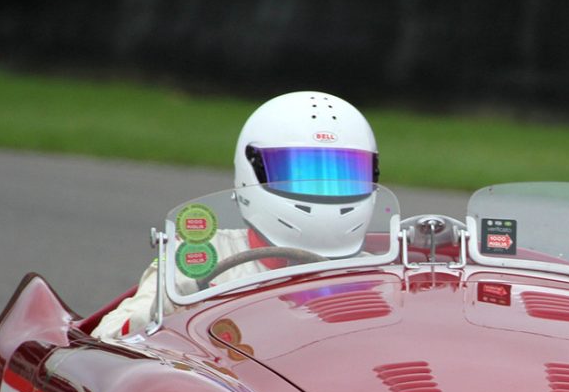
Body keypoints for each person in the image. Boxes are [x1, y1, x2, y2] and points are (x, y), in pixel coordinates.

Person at [94, 91, 379, 339]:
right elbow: (108, 338)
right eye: (301, 173)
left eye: (346, 175)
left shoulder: (377, 275)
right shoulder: (201, 259)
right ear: (251, 173)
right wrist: (167, 306)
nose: (324, 190)